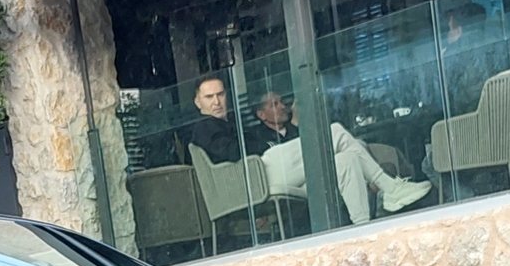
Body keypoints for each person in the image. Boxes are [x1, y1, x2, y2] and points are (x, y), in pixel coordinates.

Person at [183, 74, 430, 222]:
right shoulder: (204, 126)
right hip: (259, 176)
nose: (216, 102)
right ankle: (390, 187)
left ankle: (362, 225)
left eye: (220, 95)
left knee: (346, 159)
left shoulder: (229, 124)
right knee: (334, 132)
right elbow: (232, 152)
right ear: (197, 102)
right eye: (209, 97)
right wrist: (260, 145)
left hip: (267, 171)